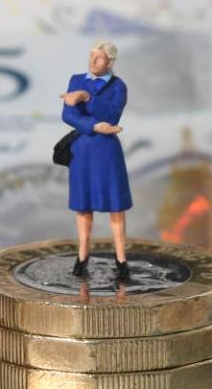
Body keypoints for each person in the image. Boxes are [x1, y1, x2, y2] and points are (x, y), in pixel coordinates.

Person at [60, 40, 132, 282]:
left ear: (110, 61)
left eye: (99, 58)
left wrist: (85, 97)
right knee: (83, 205)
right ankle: (82, 255)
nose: (93, 61)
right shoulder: (76, 79)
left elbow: (111, 114)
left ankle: (121, 259)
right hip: (83, 149)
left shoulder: (119, 86)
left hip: (107, 151)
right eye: (91, 56)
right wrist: (93, 125)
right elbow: (68, 114)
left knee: (115, 205)